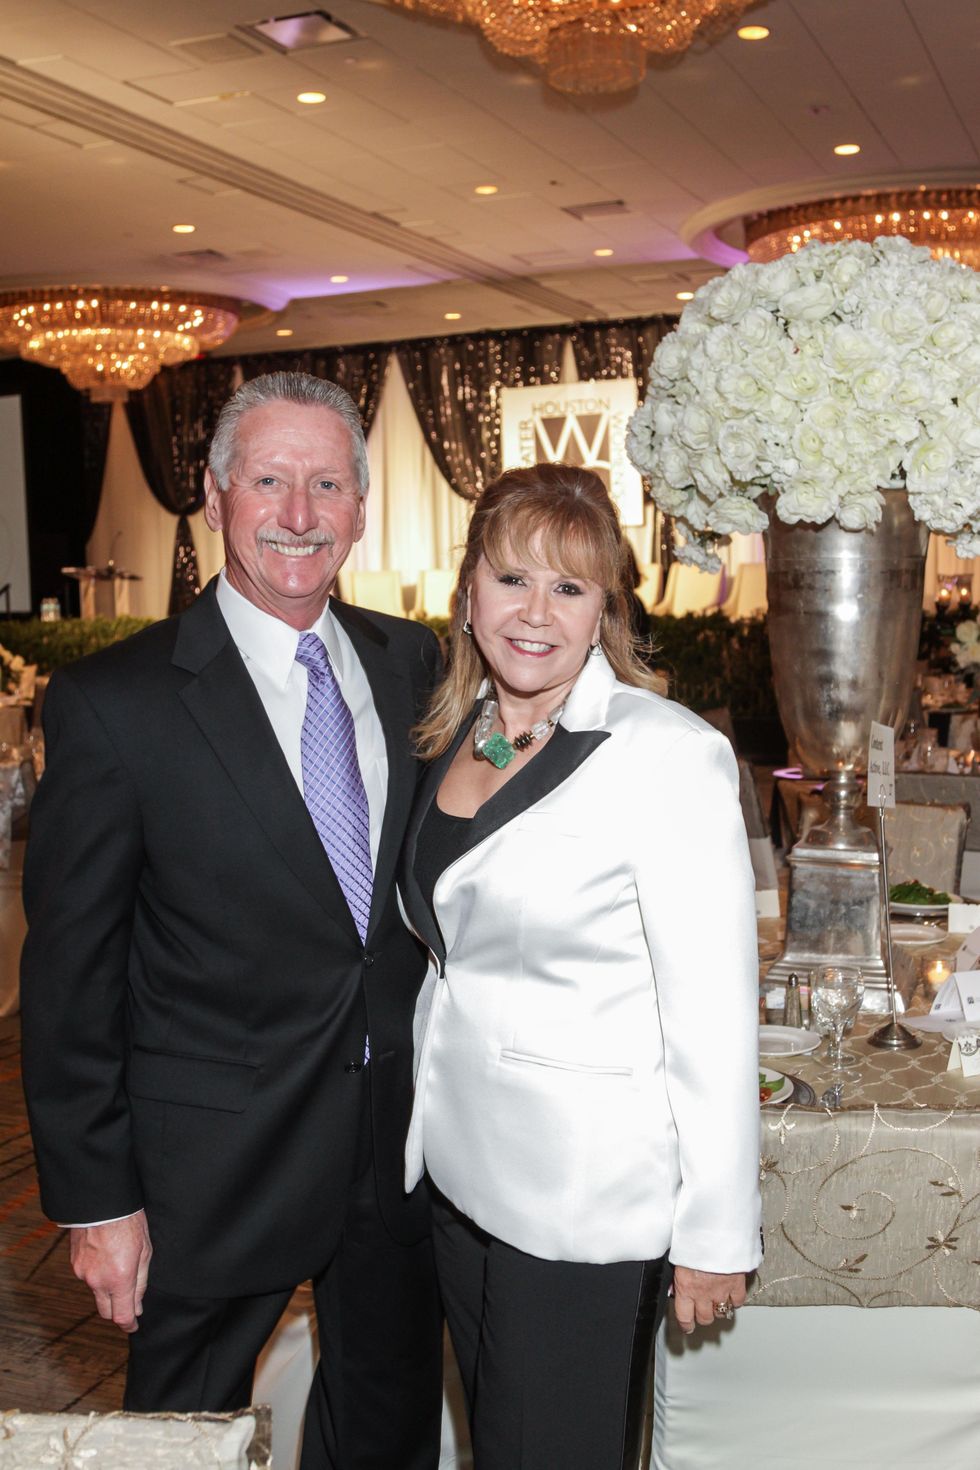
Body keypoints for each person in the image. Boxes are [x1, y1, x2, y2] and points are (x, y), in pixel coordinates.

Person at [20, 371, 444, 1470]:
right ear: (213, 497)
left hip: (398, 1149)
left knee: (388, 1426)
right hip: (208, 1167)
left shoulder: (417, 664)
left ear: (361, 507)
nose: (299, 514)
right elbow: (70, 981)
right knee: (177, 1441)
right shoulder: (117, 704)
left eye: (326, 484)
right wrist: (98, 1203)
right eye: (268, 481)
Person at [400, 463, 762, 1470]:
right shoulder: (459, 734)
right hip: (457, 1173)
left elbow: (713, 1015)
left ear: (605, 609)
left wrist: (715, 1231)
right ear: (468, 590)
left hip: (578, 1198)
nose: (535, 612)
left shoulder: (665, 754)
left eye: (568, 587)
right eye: (512, 578)